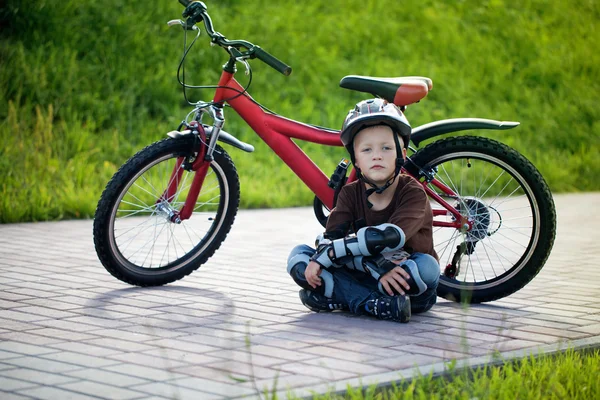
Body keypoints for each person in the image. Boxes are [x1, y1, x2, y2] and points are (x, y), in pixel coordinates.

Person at [287, 98, 440, 323]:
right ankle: (373, 304)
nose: (376, 155)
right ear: (356, 160)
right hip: (369, 274)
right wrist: (374, 266)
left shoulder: (413, 193)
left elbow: (389, 237)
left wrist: (329, 256)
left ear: (403, 154)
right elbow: (329, 240)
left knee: (428, 268)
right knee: (298, 258)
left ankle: (343, 296)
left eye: (386, 148)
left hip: (407, 282)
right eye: (367, 150)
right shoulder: (349, 194)